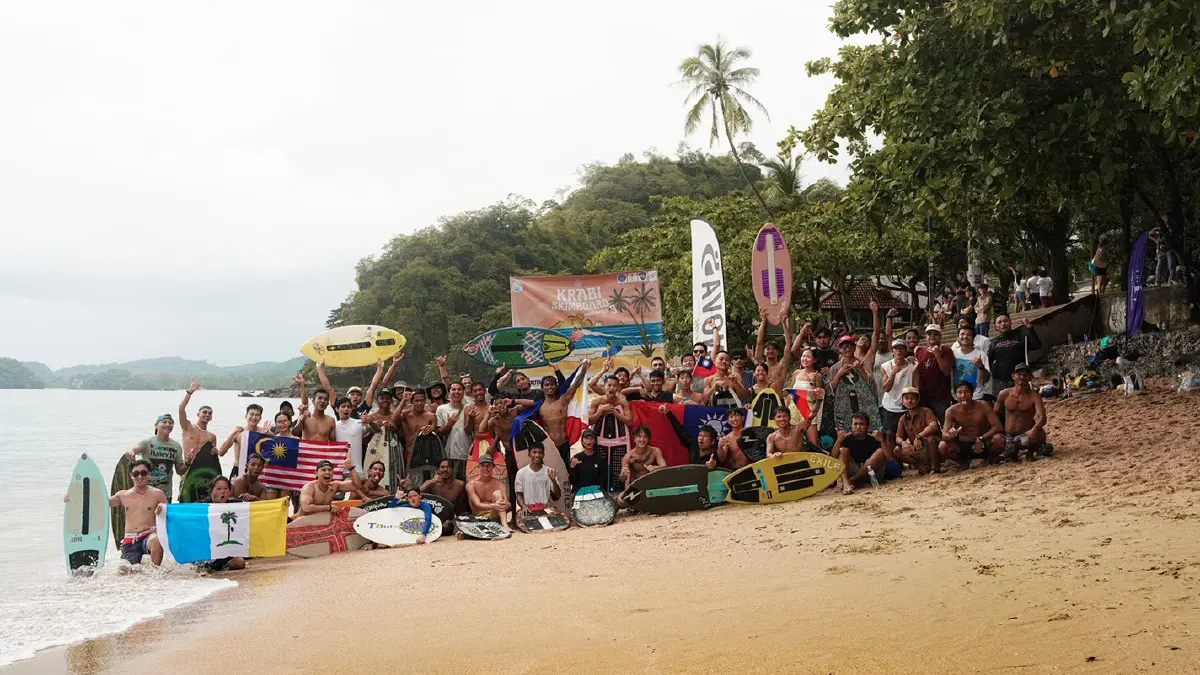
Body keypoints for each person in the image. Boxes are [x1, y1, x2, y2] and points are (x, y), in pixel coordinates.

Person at [66, 459, 167, 568]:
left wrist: (159, 521)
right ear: (131, 476)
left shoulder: (157, 494)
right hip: (130, 540)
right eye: (136, 473)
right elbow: (100, 503)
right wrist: (73, 499)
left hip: (148, 536)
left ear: (149, 475)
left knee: (156, 540)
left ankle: (155, 576)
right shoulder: (123, 495)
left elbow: (170, 516)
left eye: (143, 473)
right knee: (126, 572)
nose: (139, 476)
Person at [536, 361, 591, 465]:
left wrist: (583, 370)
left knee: (565, 473)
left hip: (563, 444)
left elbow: (575, 385)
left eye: (552, 384)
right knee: (549, 473)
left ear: (556, 386)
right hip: (548, 446)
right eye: (546, 385)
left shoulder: (563, 401)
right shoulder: (538, 407)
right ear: (542, 388)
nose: (550, 387)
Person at [940, 382, 1004, 468]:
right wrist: (951, 435)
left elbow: (998, 426)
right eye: (960, 392)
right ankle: (963, 463)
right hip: (963, 444)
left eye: (966, 392)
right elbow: (944, 435)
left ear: (972, 393)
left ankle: (989, 460)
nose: (963, 395)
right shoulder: (951, 411)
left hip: (983, 442)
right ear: (956, 395)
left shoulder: (983, 405)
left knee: (999, 439)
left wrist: (981, 438)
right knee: (942, 446)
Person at [831, 413, 899, 494]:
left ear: (867, 427)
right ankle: (846, 484)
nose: (858, 427)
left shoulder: (874, 437)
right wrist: (838, 441)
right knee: (843, 451)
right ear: (851, 426)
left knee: (880, 452)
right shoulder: (846, 438)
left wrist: (882, 440)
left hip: (873, 472)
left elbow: (890, 459)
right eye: (855, 424)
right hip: (853, 469)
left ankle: (853, 481)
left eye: (861, 424)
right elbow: (833, 459)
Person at [125, 415, 186, 503]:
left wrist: (188, 462)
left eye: (171, 423)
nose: (168, 424)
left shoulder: (176, 446)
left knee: (163, 516)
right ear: (156, 425)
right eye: (164, 422)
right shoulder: (148, 442)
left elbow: (180, 471)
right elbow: (136, 448)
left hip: (165, 492)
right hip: (146, 490)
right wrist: (132, 452)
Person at [995, 364, 1049, 461]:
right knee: (997, 440)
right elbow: (995, 414)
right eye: (1019, 374)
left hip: (1024, 437)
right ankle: (1009, 452)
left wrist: (1034, 429)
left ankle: (1029, 453)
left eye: (1025, 375)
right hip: (1007, 436)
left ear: (1030, 377)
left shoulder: (1035, 397)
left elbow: (1042, 418)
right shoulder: (1004, 394)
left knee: (1039, 434)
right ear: (1013, 376)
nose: (1022, 377)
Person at [201, 476, 247, 572]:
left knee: (240, 562)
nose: (222, 492)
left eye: (225, 489)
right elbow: (183, 513)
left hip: (226, 550)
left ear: (230, 491)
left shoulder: (235, 505)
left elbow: (257, 509)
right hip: (207, 549)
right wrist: (163, 510)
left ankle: (219, 566)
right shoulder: (202, 506)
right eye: (218, 489)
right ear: (211, 491)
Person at [879, 339, 915, 457]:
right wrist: (893, 373)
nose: (898, 351)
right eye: (896, 348)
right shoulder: (886, 366)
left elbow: (916, 385)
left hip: (906, 405)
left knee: (909, 433)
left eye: (901, 348)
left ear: (905, 350)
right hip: (890, 406)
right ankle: (892, 461)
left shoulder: (912, 365)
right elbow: (887, 388)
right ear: (892, 351)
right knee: (889, 434)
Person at [987, 314, 1041, 392]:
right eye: (999, 322)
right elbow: (988, 362)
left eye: (1006, 321)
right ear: (996, 327)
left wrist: (1029, 327)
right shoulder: (994, 343)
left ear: (1010, 322)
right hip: (1001, 381)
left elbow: (1037, 345)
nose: (1003, 324)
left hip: (1020, 379)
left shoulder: (1021, 337)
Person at [894, 387, 939, 474]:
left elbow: (934, 426)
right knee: (897, 450)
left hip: (931, 447)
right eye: (906, 398)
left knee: (931, 438)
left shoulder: (926, 411)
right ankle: (921, 465)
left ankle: (935, 468)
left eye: (912, 398)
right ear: (903, 401)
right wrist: (903, 443)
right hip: (917, 449)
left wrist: (919, 436)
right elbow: (898, 437)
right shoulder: (903, 419)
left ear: (918, 400)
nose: (910, 401)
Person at [915, 325, 955, 422]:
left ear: (940, 336)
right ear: (926, 337)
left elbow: (946, 371)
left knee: (944, 424)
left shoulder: (946, 351)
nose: (932, 336)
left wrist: (937, 355)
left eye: (936, 334)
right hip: (924, 397)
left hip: (940, 398)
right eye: (929, 334)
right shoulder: (919, 351)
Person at [298, 459, 364, 516]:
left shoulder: (334, 486)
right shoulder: (309, 487)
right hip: (303, 520)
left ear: (333, 473)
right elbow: (306, 508)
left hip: (320, 521)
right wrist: (329, 508)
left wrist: (351, 468)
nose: (327, 472)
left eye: (330, 470)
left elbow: (357, 485)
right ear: (316, 473)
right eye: (323, 470)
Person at [435, 382, 473, 478]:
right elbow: (439, 432)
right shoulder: (441, 409)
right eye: (453, 389)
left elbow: (469, 431)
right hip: (448, 454)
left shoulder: (470, 408)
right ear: (449, 393)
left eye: (459, 389)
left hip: (467, 453)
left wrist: (471, 419)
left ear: (463, 392)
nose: (456, 392)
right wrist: (449, 424)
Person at [178, 379, 217, 468]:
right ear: (198, 414)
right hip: (188, 468)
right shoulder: (187, 427)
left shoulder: (212, 436)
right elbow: (181, 409)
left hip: (203, 470)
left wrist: (215, 452)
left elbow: (213, 457)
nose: (207, 415)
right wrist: (189, 392)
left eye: (210, 413)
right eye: (204, 412)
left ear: (211, 418)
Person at [754, 307, 794, 392]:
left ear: (778, 352)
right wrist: (764, 320)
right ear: (764, 352)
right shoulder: (761, 365)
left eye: (773, 349)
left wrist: (783, 322)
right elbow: (759, 343)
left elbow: (788, 345)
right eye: (768, 349)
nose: (770, 351)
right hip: (763, 399)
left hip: (778, 400)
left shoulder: (782, 365)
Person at [513, 446, 562, 515]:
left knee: (558, 523)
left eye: (540, 453)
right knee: (525, 524)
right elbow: (518, 494)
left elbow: (557, 496)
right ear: (529, 454)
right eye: (534, 452)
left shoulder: (550, 471)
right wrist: (523, 506)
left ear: (543, 455)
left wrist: (553, 481)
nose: (537, 455)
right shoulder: (521, 473)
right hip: (528, 509)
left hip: (546, 508)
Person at [465, 454, 510, 524]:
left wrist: (507, 505)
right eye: (483, 465)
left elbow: (506, 503)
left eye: (489, 465)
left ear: (493, 467)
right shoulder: (471, 485)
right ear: (478, 467)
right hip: (478, 517)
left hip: (494, 516)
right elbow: (477, 504)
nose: (486, 468)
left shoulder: (500, 485)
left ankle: (505, 525)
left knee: (497, 493)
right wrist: (493, 505)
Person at [952, 326, 992, 402]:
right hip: (958, 397)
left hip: (976, 396)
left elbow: (986, 379)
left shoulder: (981, 354)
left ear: (973, 338)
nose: (965, 337)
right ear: (958, 337)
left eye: (969, 335)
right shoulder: (953, 353)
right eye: (962, 334)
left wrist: (981, 366)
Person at [333, 397, 366, 474]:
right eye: (343, 406)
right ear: (337, 409)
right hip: (338, 470)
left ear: (352, 409)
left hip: (357, 469)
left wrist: (370, 421)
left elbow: (376, 429)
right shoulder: (333, 425)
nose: (346, 409)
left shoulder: (359, 423)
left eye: (349, 407)